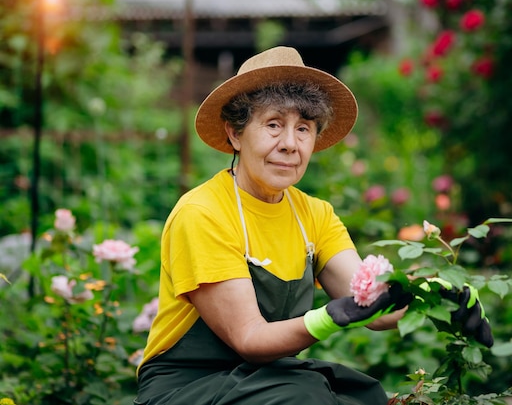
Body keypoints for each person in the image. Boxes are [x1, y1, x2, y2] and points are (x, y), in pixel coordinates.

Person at [134, 46, 491, 405]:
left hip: (266, 381)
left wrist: (433, 294)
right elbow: (250, 339)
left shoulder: (314, 215)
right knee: (305, 395)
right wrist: (330, 317)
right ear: (235, 134)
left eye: (303, 128)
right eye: (273, 125)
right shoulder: (203, 212)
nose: (290, 144)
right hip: (186, 387)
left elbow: (373, 307)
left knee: (361, 395)